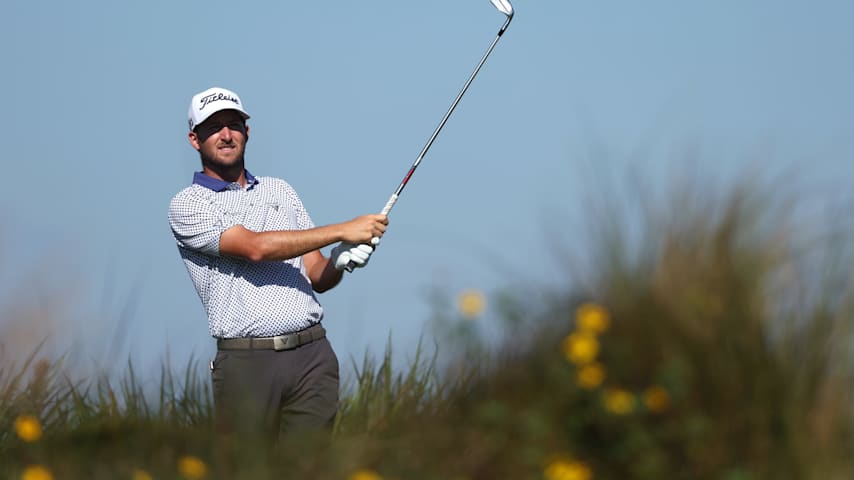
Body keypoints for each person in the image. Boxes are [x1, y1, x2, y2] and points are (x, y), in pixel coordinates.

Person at [168, 86, 388, 441]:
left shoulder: (280, 190)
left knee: (310, 466)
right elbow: (254, 248)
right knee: (252, 466)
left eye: (233, 125)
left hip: (313, 356)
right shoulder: (188, 204)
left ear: (247, 131)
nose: (226, 135)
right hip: (247, 364)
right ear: (195, 139)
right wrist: (342, 229)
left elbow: (316, 274)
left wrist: (340, 260)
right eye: (213, 128)